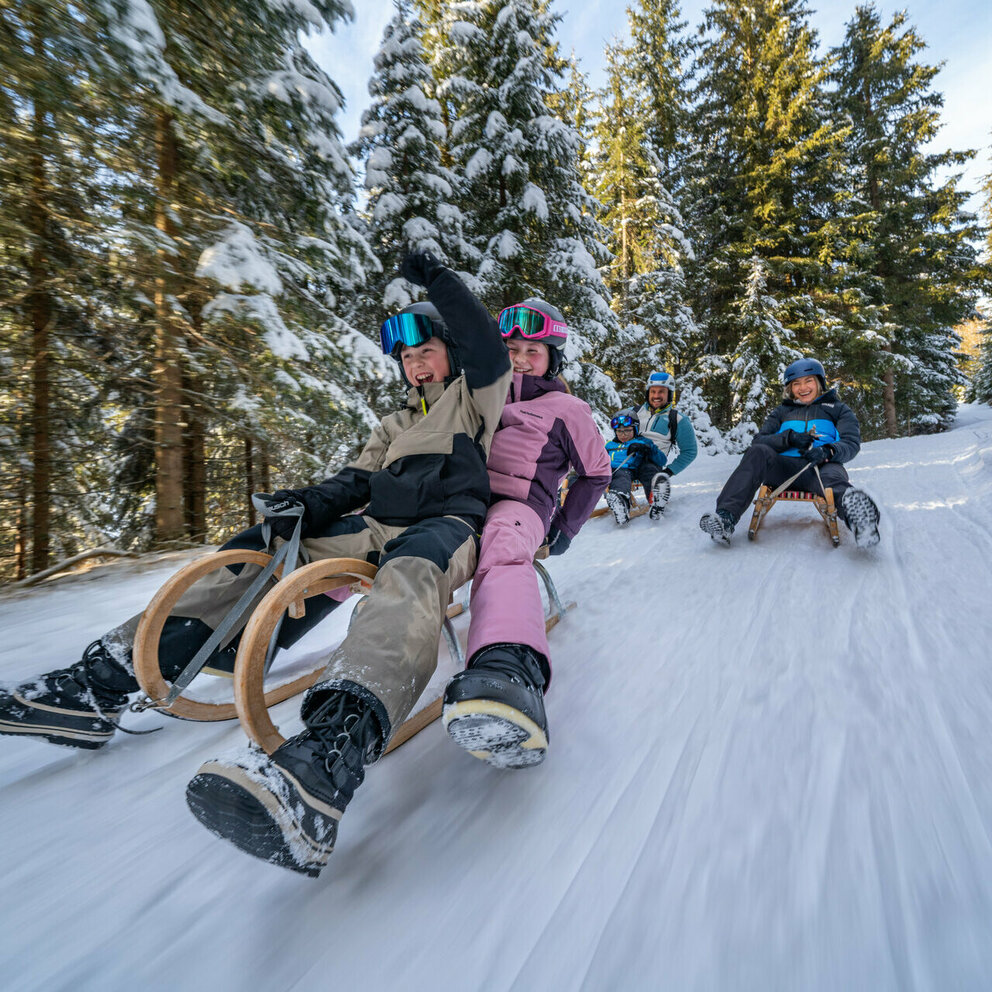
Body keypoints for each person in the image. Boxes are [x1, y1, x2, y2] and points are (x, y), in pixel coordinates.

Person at [0, 252, 512, 877]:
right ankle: (100, 684)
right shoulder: (394, 422)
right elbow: (354, 482)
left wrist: (436, 281)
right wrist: (304, 504)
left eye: (424, 349)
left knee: (409, 575)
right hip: (373, 526)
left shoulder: (475, 397)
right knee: (261, 551)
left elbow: (488, 346)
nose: (413, 363)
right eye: (405, 357)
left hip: (445, 527)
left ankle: (328, 759)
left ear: (450, 352)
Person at [442, 300, 610, 769]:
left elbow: (596, 473)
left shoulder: (566, 409)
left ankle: (510, 672)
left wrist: (562, 531)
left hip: (520, 506)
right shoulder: (479, 395)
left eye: (532, 351)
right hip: (462, 500)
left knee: (502, 543)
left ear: (553, 357)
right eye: (511, 347)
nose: (519, 358)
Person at [699, 357, 881, 547]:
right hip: (782, 469)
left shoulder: (838, 409)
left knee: (835, 481)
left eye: (808, 380)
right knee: (757, 452)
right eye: (796, 383)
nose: (803, 388)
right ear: (790, 388)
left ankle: (862, 522)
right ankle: (725, 519)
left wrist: (828, 451)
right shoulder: (782, 412)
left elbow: (851, 443)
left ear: (819, 382)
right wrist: (789, 438)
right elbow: (759, 440)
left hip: (820, 469)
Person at [633, 370, 699, 509]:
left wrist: (668, 472)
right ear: (648, 393)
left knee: (649, 472)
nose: (656, 396)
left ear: (669, 394)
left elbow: (690, 451)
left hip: (651, 460)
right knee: (611, 472)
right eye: (653, 391)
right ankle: (618, 499)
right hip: (626, 458)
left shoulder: (678, 419)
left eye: (661, 392)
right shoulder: (633, 412)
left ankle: (657, 499)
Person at [603, 410, 667, 526]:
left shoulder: (643, 441)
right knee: (620, 476)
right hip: (621, 470)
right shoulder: (609, 445)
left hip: (641, 468)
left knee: (649, 470)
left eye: (628, 430)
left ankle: (656, 500)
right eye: (619, 431)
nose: (623, 434)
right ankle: (621, 504)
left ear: (635, 429)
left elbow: (662, 460)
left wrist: (648, 449)